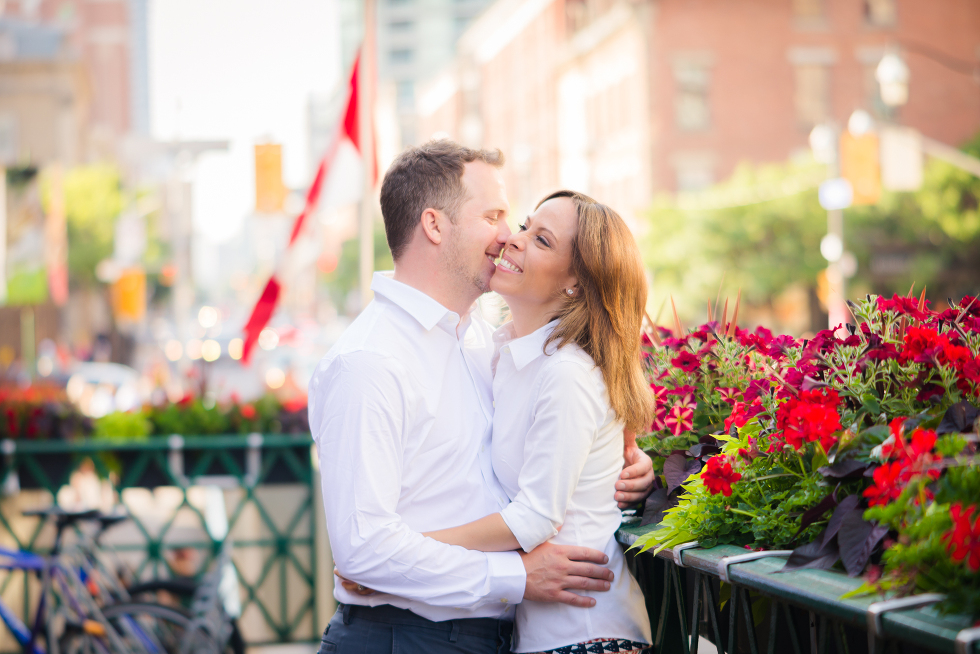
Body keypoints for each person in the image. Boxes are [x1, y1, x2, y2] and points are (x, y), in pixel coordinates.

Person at [308, 141, 654, 654]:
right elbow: (363, 548)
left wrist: (619, 465)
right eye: (494, 215)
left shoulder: (482, 342)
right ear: (434, 225)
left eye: (523, 227)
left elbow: (546, 446)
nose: (506, 235)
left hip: (495, 636)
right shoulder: (371, 361)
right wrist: (513, 576)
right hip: (404, 638)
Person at [423, 190, 654, 653]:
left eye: (542, 240)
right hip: (538, 635)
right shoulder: (506, 355)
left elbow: (535, 517)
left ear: (576, 284)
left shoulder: (568, 374)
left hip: (586, 635)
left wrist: (413, 552)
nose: (515, 239)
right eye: (526, 225)